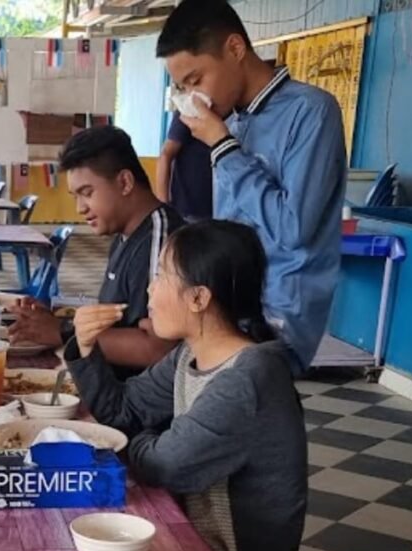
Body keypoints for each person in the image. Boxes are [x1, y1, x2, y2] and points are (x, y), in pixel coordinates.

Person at [65, 220, 307, 551]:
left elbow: (163, 465)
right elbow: (124, 411)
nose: (150, 289)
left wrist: (149, 439)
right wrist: (86, 347)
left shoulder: (247, 377)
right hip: (192, 526)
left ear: (198, 298)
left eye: (161, 274)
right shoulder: (190, 353)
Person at [156, 0, 347, 373]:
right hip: (226, 306)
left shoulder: (311, 112)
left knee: (236, 402)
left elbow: (294, 230)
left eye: (196, 80)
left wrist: (224, 148)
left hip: (276, 317)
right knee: (172, 390)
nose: (194, 97)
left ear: (235, 48)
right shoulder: (233, 122)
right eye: (183, 87)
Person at [10, 126, 184, 378]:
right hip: (109, 380)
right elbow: (117, 318)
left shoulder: (162, 239)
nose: (80, 208)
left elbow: (157, 349)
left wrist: (63, 331)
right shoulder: (124, 233)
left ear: (125, 182)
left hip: (136, 394)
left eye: (87, 193)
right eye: (75, 197)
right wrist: (52, 319)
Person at [156, 110, 213, 221]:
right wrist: (163, 209)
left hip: (221, 208)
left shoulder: (238, 116)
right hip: (188, 210)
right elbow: (165, 156)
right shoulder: (189, 110)